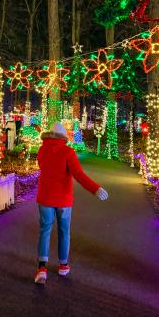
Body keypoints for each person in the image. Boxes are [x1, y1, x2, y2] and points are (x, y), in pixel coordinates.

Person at [34, 121, 108, 285]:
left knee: (45, 231)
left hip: (45, 198)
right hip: (64, 200)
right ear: (63, 136)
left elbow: (41, 166)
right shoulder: (68, 152)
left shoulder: (42, 150)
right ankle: (63, 265)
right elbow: (79, 175)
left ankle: (41, 268)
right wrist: (95, 189)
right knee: (64, 232)